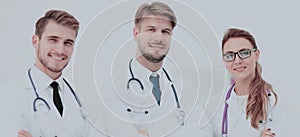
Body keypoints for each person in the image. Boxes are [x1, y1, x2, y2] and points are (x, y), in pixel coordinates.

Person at [16, 9, 105, 137]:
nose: (60, 50)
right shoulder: (11, 98)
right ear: (35, 41)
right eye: (53, 40)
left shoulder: (83, 99)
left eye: (68, 43)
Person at [202, 28, 285, 137]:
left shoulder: (274, 102)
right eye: (230, 55)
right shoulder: (212, 107)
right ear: (224, 61)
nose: (237, 61)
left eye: (244, 53)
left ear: (256, 54)